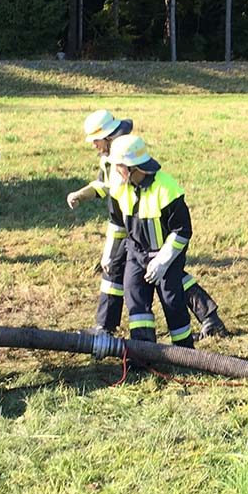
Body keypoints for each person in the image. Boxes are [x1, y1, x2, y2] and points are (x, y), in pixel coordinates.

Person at [67, 109, 227, 337]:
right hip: (126, 225)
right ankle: (107, 326)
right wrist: (82, 194)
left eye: (95, 140)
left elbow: (179, 229)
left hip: (144, 226)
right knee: (119, 272)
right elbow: (105, 187)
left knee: (168, 275)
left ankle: (206, 318)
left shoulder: (126, 154)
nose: (93, 145)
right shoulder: (110, 160)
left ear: (107, 136)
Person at [105, 133, 197, 349]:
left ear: (132, 168)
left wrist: (162, 262)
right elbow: (117, 224)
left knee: (172, 302)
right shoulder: (119, 188)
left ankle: (184, 352)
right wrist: (109, 254)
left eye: (119, 166)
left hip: (167, 258)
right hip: (136, 254)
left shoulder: (167, 188)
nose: (115, 171)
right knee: (135, 300)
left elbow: (182, 231)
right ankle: (143, 352)